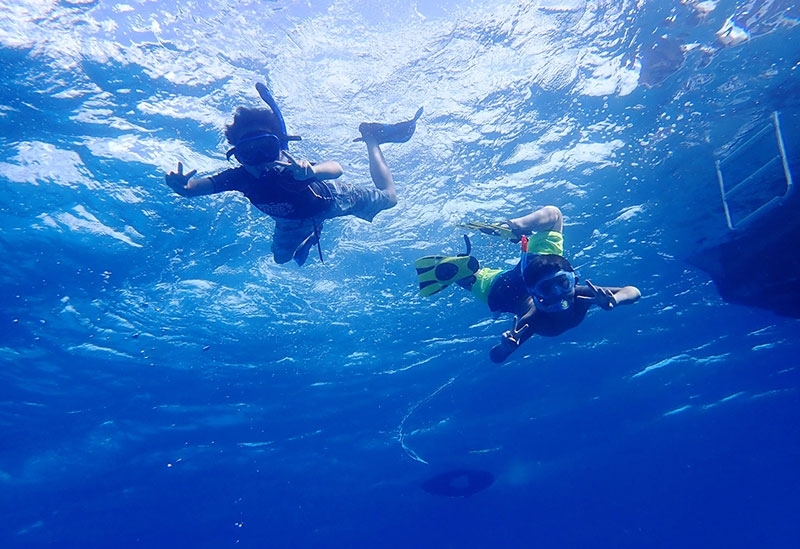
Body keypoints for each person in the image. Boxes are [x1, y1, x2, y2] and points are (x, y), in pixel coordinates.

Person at [166, 82, 422, 265]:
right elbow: (194, 190)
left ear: (279, 147)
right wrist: (182, 187)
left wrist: (311, 171)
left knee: (390, 198)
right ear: (238, 156)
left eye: (266, 148)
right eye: (248, 153)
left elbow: (336, 169)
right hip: (292, 221)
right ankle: (313, 232)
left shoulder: (292, 170)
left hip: (333, 200)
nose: (260, 161)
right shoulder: (239, 177)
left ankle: (372, 139)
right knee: (280, 259)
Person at [415, 205, 641, 363]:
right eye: (548, 290)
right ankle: (508, 235)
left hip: (526, 277)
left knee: (553, 216)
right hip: (508, 289)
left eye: (563, 284)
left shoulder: (579, 295)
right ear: (535, 293)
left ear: (574, 279)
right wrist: (504, 349)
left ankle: (513, 231)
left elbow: (632, 292)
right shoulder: (533, 320)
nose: (558, 295)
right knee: (554, 217)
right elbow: (635, 291)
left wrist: (616, 299)